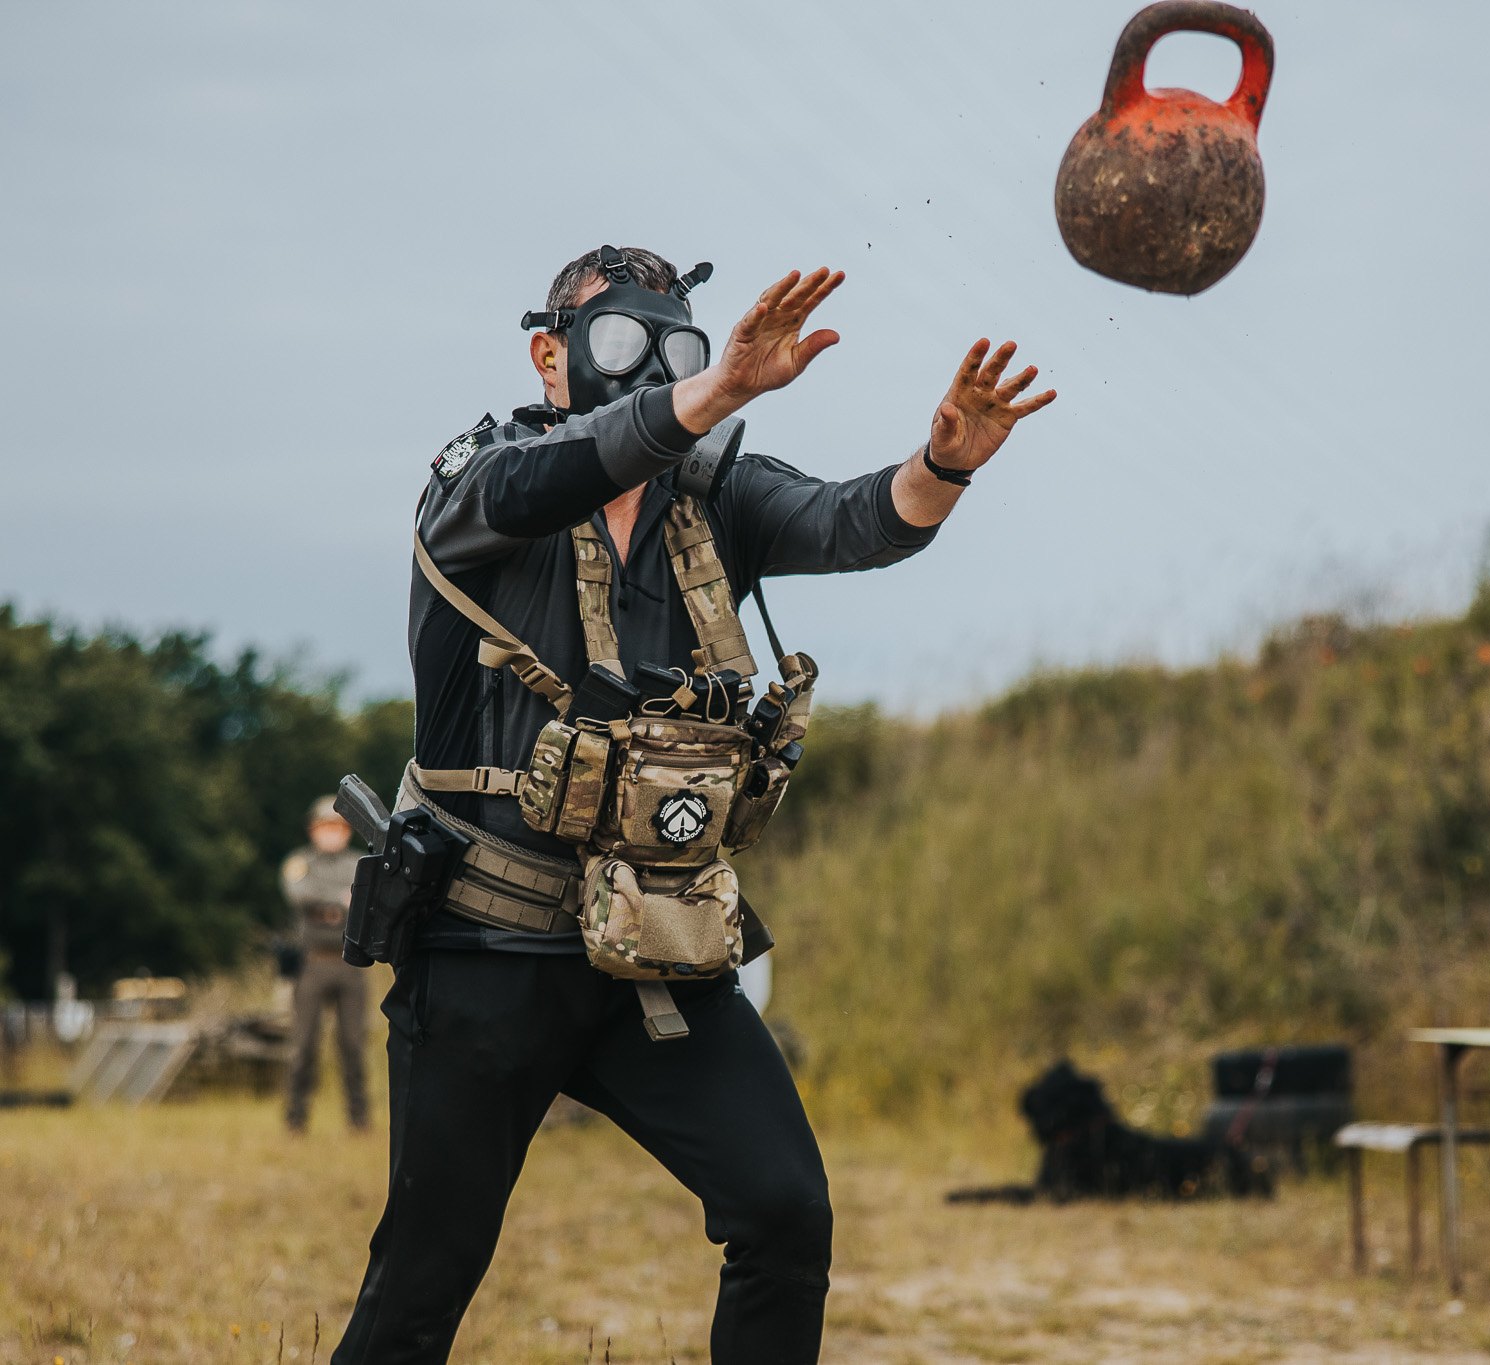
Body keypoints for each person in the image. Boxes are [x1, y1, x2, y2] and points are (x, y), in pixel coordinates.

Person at [332, 246, 1053, 1365]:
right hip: (484, 946)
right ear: (549, 354)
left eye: (674, 347)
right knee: (426, 1277)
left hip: (651, 951)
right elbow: (562, 470)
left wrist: (942, 467)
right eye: (616, 344)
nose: (647, 371)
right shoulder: (484, 481)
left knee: (783, 1213)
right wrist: (716, 390)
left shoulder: (710, 498)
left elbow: (854, 521)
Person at [280, 797, 369, 1132]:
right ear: (313, 829)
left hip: (351, 962)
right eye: (325, 826)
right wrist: (341, 900)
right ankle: (296, 1119)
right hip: (312, 963)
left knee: (354, 1045)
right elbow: (299, 895)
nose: (332, 833)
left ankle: (359, 1120)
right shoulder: (299, 862)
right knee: (303, 1046)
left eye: (338, 827)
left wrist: (329, 904)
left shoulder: (360, 862)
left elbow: (367, 897)